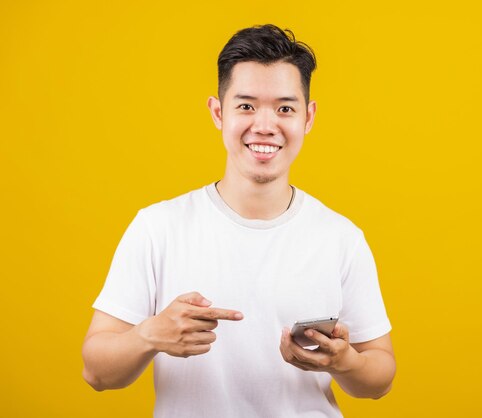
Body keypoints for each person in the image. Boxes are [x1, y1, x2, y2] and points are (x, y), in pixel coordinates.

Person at [82, 24, 396, 418]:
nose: (265, 125)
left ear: (308, 117)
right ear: (218, 112)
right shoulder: (157, 228)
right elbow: (96, 371)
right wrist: (150, 335)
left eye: (285, 108)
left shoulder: (341, 238)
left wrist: (343, 361)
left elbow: (381, 377)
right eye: (246, 105)